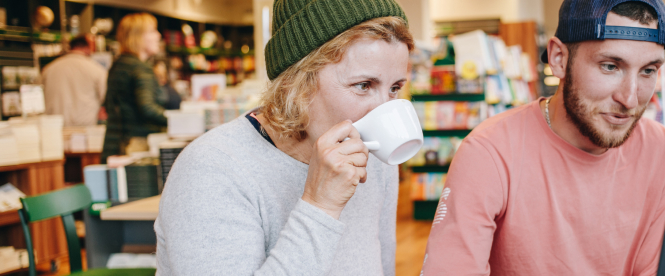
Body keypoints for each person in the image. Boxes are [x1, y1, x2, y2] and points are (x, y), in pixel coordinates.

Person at [421, 1, 665, 275]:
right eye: (610, 66)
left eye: (648, 71)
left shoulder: (663, 152)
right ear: (559, 58)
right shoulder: (489, 153)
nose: (630, 99)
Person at [154, 0, 413, 275]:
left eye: (395, 87)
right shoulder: (212, 170)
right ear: (295, 81)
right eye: (363, 85)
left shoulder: (374, 155)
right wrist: (320, 206)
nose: (386, 109)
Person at [101, 13, 167, 162]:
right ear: (137, 36)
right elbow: (147, 108)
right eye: (152, 31)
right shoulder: (140, 68)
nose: (158, 36)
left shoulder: (118, 64)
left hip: (115, 143)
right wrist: (178, 121)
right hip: (136, 146)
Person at [41, 35, 107, 126]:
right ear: (87, 48)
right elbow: (106, 98)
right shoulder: (97, 70)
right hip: (85, 130)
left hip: (55, 129)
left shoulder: (49, 69)